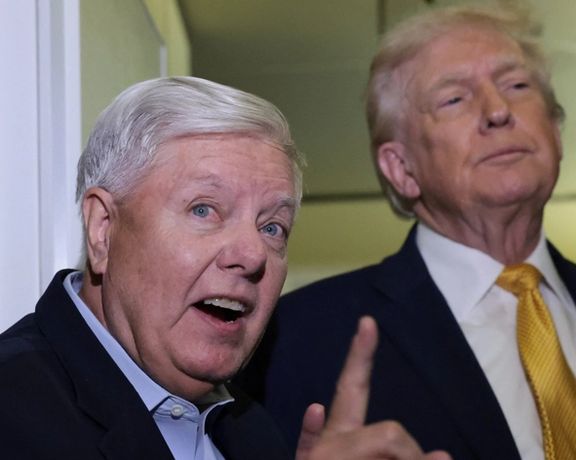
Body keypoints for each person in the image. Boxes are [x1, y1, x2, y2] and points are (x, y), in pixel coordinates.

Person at [0, 76, 449, 460]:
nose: (253, 254)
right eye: (204, 209)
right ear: (103, 228)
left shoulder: (253, 431)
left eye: (272, 227)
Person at [238, 5, 576, 460]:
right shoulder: (294, 340)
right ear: (401, 168)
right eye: (454, 99)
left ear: (555, 130)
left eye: (517, 85)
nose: (498, 111)